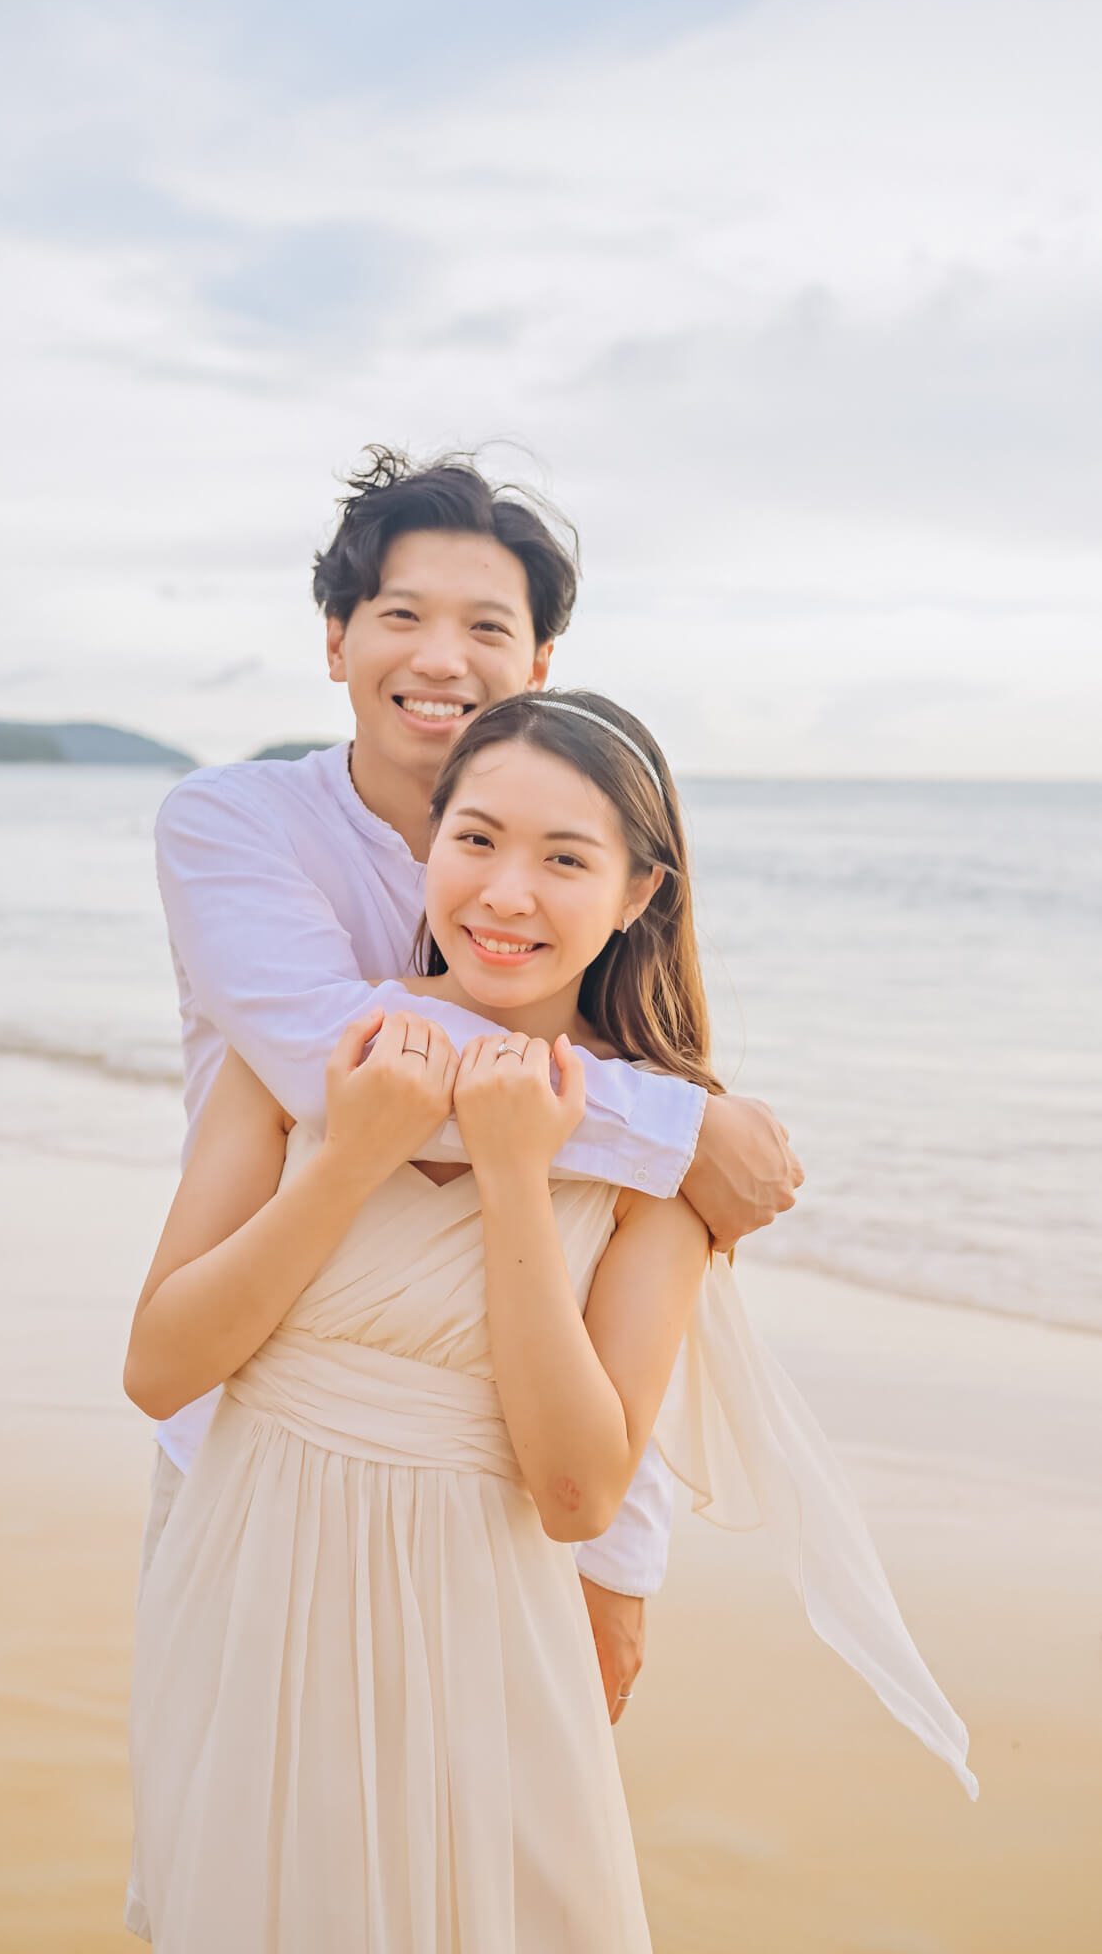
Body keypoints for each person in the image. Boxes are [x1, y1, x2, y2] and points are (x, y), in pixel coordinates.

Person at [125, 691, 974, 1953]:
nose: (504, 893)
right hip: (250, 1595)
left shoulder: (658, 1165)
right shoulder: (310, 1057)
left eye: (564, 858)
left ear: (638, 893)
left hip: (481, 1627)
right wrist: (351, 1160)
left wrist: (520, 1173)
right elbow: (160, 1365)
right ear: (428, 848)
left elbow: (578, 1488)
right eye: (474, 839)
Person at [139, 449, 802, 1755]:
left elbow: (616, 1299)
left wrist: (620, 1554)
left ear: (540, 662)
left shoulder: (568, 913)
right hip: (243, 1439)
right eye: (400, 615)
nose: (439, 657)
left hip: (491, 1504)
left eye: (485, 626)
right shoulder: (233, 827)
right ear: (334, 639)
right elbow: (323, 1055)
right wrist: (684, 1131)